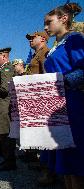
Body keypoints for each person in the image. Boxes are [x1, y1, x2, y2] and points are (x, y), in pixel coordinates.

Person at [43, 3, 84, 189]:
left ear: (64, 19)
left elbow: (83, 70)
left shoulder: (75, 40)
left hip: (73, 102)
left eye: (49, 22)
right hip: (57, 103)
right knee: (65, 159)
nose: (45, 27)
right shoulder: (57, 46)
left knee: (75, 159)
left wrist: (63, 81)